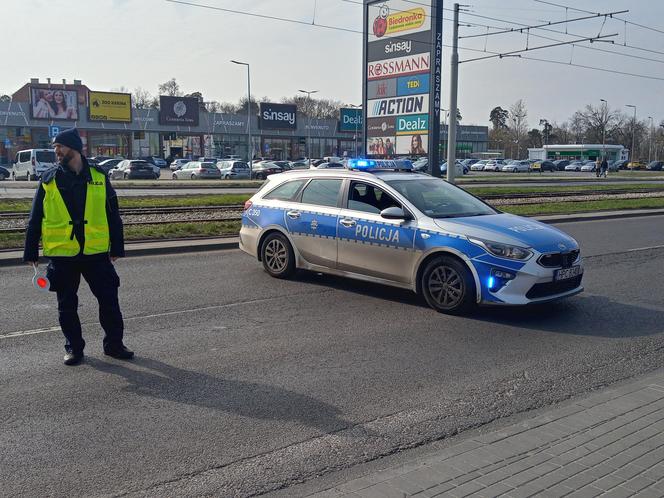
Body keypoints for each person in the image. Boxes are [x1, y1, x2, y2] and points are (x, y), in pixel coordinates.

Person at [24, 128, 133, 366]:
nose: (56, 151)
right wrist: (30, 250)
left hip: (96, 254)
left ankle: (114, 345)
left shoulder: (98, 174)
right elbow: (36, 216)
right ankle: (74, 348)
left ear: (74, 148)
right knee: (66, 306)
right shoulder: (49, 179)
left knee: (110, 302)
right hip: (64, 255)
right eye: (55, 147)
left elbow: (113, 212)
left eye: (59, 147)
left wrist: (117, 246)